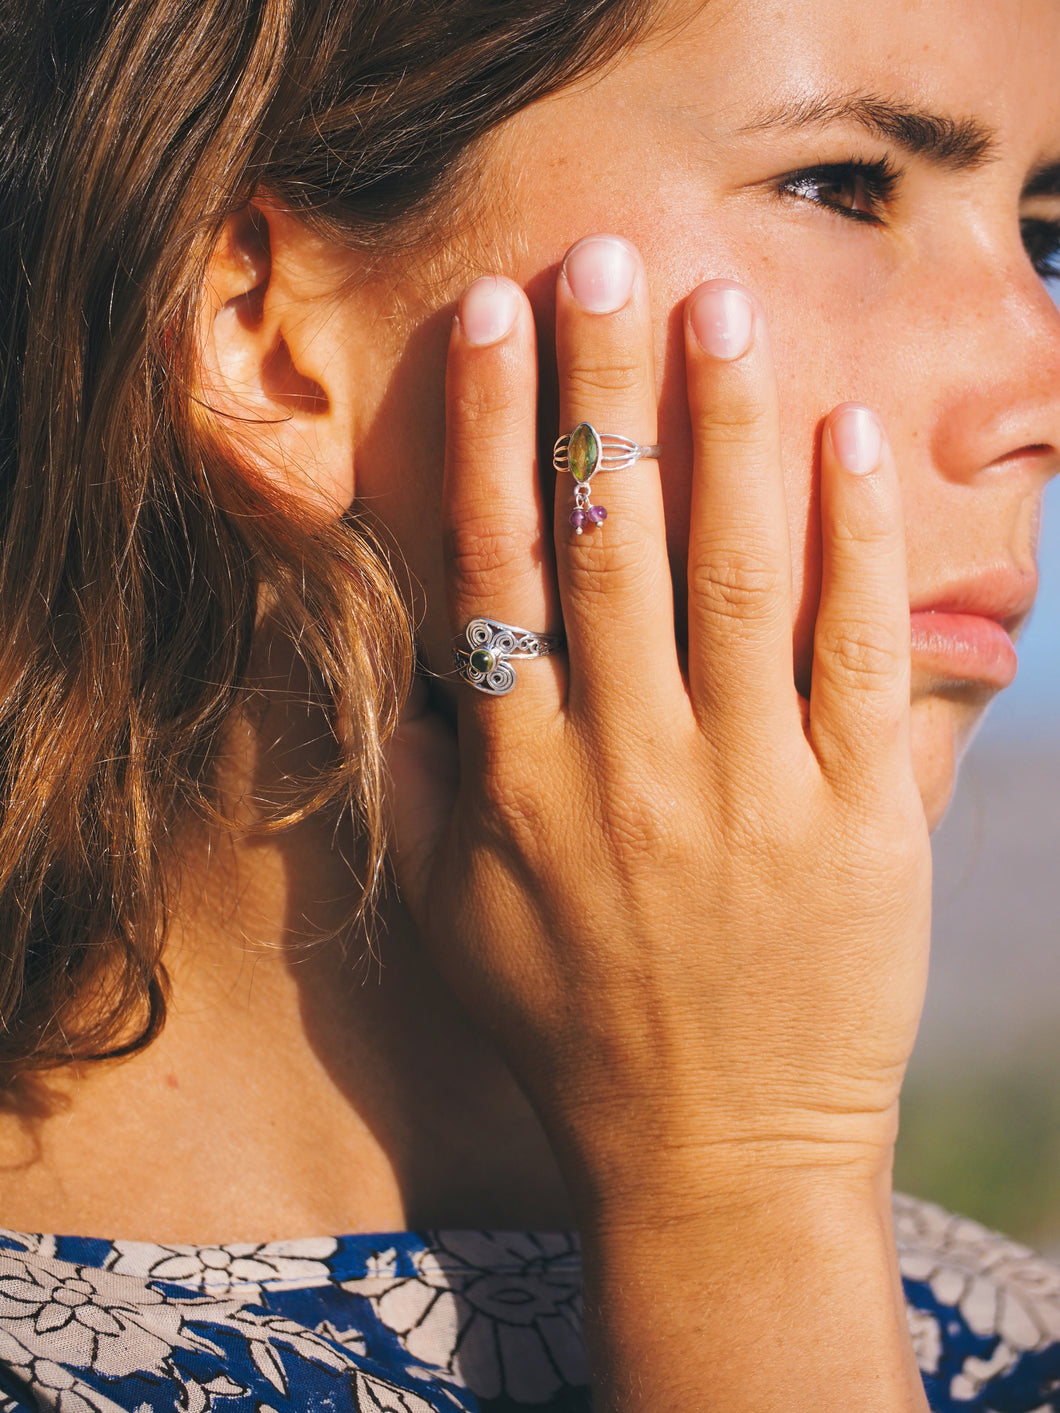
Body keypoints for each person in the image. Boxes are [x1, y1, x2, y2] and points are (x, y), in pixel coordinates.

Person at [0, 0, 1058, 1409]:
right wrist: (737, 1194)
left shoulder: (1005, 1336)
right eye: (841, 187)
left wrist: (754, 1194)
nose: (1034, 381)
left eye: (1045, 234)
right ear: (263, 334)